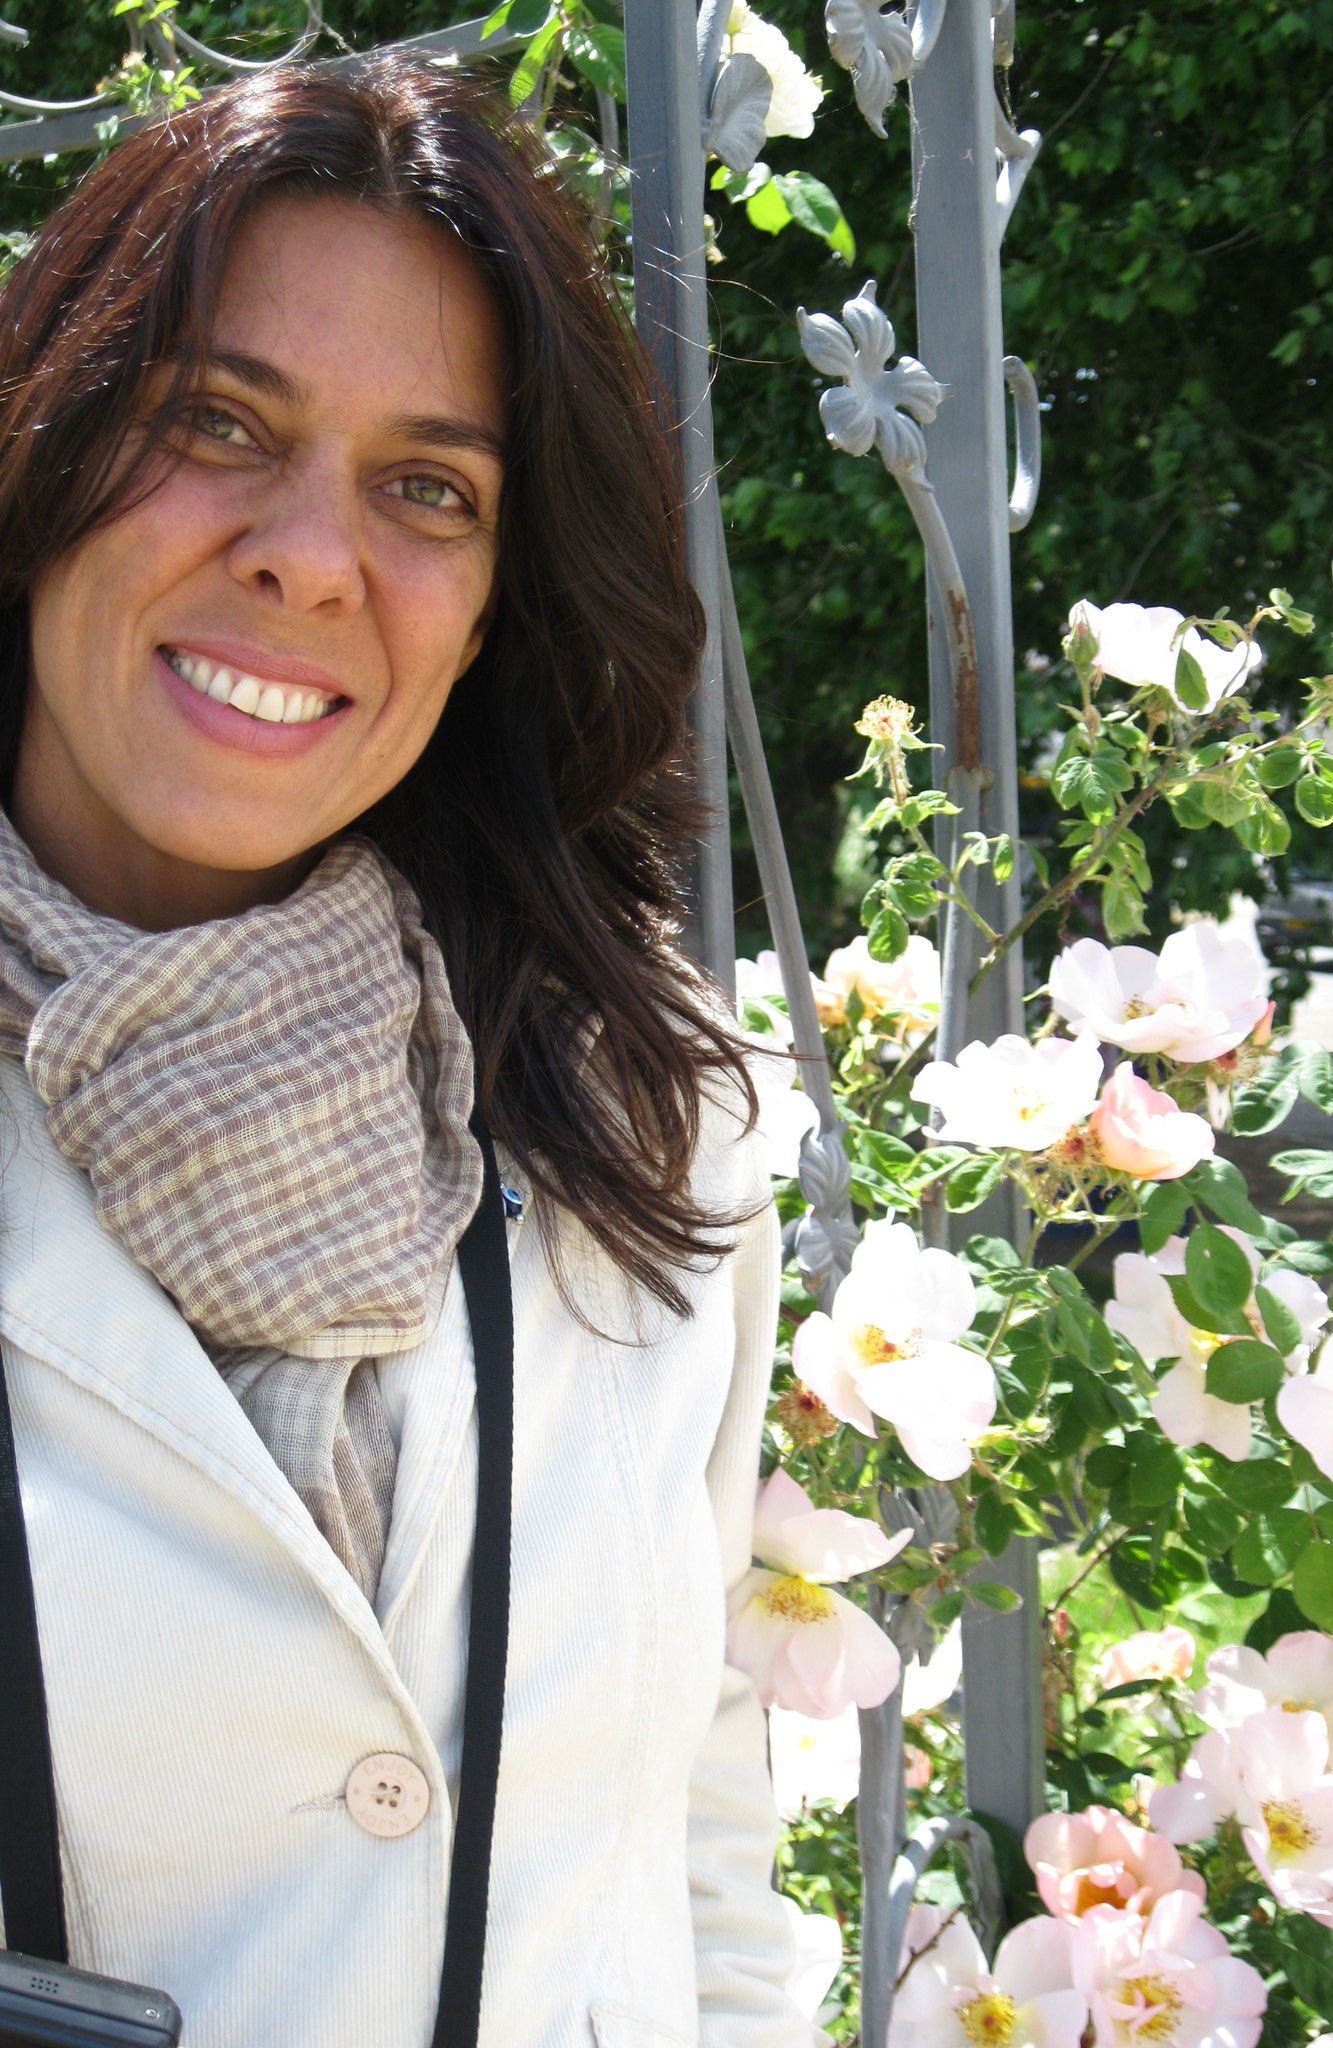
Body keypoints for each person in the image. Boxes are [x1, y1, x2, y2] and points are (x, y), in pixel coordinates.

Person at [0, 52, 805, 2048]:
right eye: (216, 422)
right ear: (45, 453)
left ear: (494, 607)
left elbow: (684, 1827)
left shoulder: (653, 1123)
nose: (309, 553)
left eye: (427, 487)